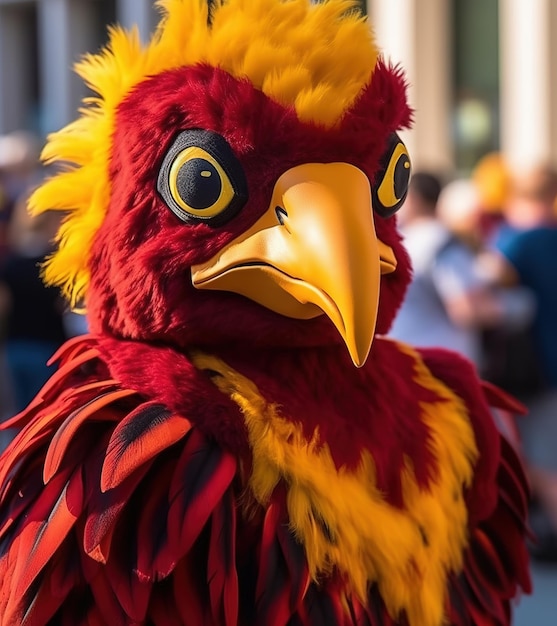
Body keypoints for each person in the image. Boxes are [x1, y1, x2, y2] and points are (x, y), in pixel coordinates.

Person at [481, 163, 557, 560]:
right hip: (550, 363)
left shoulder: (518, 240)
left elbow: (485, 278)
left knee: (543, 460)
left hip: (538, 367)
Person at [389, 172, 532, 370]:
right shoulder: (439, 241)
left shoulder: (396, 241)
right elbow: (467, 309)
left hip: (403, 358)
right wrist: (519, 306)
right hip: (441, 367)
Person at [0, 189, 67, 415]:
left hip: (15, 347)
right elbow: (64, 306)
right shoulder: (53, 263)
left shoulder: (10, 263)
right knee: (43, 414)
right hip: (47, 348)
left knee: (18, 416)